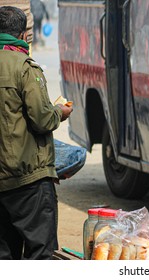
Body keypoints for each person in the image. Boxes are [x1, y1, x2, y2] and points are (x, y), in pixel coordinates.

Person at [0, 6, 73, 260]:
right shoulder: (25, 68)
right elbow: (42, 119)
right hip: (28, 180)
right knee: (40, 254)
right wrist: (59, 112)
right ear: (22, 34)